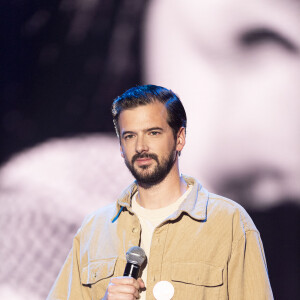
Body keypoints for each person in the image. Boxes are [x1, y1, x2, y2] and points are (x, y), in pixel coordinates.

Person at [47, 85, 273, 299]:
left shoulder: (229, 223)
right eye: (130, 136)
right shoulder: (95, 229)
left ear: (179, 138)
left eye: (153, 133)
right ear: (121, 147)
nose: (140, 147)